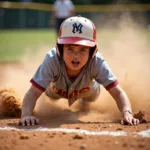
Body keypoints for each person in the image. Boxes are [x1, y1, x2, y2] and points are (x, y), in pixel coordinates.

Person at [18, 16, 140, 126]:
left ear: (92, 51)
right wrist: (26, 115)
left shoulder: (96, 62)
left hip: (88, 91)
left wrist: (127, 113)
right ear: (60, 49)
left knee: (90, 97)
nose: (76, 55)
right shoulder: (52, 60)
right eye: (70, 48)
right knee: (50, 95)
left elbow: (118, 93)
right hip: (55, 89)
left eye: (83, 49)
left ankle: (84, 103)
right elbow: (32, 93)